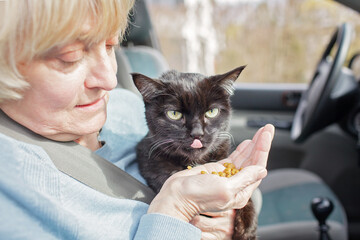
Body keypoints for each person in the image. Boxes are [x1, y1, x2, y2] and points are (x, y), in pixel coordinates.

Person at [0, 0, 275, 239]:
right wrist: (176, 210)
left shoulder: (126, 105)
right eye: (69, 58)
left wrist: (229, 219)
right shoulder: (12, 184)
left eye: (110, 47)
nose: (109, 80)